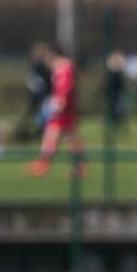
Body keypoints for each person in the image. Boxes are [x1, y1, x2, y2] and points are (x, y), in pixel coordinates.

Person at [26, 44, 85, 178]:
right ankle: (79, 165)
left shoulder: (62, 68)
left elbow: (63, 89)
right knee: (70, 136)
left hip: (62, 107)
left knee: (52, 133)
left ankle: (43, 164)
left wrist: (58, 105)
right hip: (66, 106)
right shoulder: (64, 68)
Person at [18, 42, 52, 141]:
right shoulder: (36, 67)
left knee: (43, 118)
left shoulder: (43, 68)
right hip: (37, 97)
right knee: (39, 117)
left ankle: (43, 134)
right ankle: (40, 134)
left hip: (43, 97)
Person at [105, 50, 130, 131]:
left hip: (118, 93)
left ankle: (118, 123)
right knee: (113, 109)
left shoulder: (119, 73)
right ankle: (113, 123)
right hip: (113, 93)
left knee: (120, 109)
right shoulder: (112, 73)